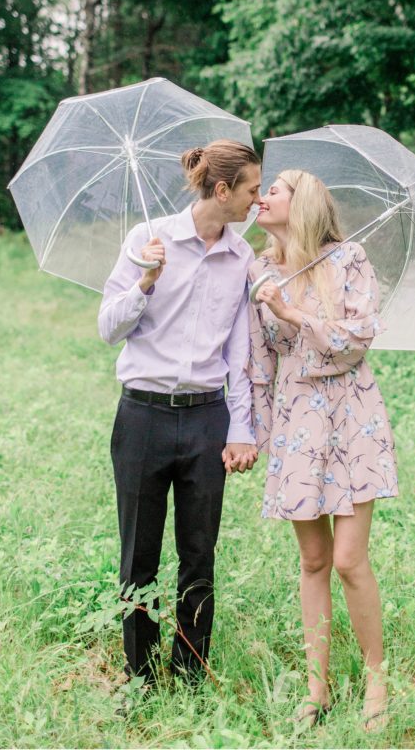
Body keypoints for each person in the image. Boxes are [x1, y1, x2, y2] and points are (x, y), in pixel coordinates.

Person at [99, 139, 260, 685]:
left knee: (199, 554)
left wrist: (241, 427)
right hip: (142, 415)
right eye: (252, 191)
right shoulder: (149, 240)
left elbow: (239, 353)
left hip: (206, 419)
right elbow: (107, 328)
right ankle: (140, 676)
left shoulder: (243, 258)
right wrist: (145, 280)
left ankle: (190, 673)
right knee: (138, 553)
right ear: (222, 190)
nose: (256, 202)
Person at [248, 170, 398, 731]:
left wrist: (295, 314)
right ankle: (317, 689)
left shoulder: (348, 259)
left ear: (303, 200)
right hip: (295, 421)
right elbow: (260, 358)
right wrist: (258, 435)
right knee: (312, 560)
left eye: (274, 190)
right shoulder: (259, 270)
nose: (261, 198)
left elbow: (357, 340)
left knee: (348, 559)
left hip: (350, 414)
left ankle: (377, 680)